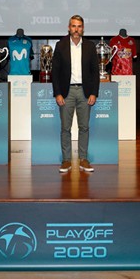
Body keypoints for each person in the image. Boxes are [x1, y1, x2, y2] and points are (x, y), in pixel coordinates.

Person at [52, 15, 99, 173]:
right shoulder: (61, 45)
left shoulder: (90, 46)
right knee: (65, 128)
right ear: (68, 27)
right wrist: (57, 93)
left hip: (85, 92)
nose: (76, 29)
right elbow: (55, 72)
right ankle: (66, 160)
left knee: (84, 127)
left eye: (79, 26)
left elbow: (95, 72)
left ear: (83, 28)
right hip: (67, 92)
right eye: (73, 26)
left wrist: (94, 93)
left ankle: (83, 159)